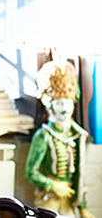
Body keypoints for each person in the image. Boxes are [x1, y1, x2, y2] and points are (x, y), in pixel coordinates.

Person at [25, 60, 93, 218]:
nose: (64, 109)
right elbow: (30, 172)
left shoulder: (77, 135)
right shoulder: (44, 135)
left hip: (69, 201)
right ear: (50, 104)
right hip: (49, 200)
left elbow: (79, 176)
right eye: (59, 103)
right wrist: (53, 185)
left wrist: (82, 207)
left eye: (68, 103)